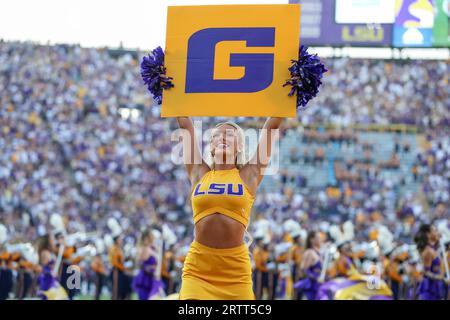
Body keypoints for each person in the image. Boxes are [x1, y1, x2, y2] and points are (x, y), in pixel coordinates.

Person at [177, 117, 283, 300]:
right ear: (210, 146)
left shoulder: (249, 175)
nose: (222, 138)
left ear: (240, 146)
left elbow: (272, 126)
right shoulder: (198, 172)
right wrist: (170, 92)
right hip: (199, 268)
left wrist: (287, 96)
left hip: (235, 271)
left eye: (229, 135)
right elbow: (184, 123)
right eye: (216, 136)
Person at [414, 224, 447, 300]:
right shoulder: (428, 251)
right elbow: (426, 272)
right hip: (429, 288)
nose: (437, 232)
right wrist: (440, 277)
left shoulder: (434, 249)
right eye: (434, 231)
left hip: (436, 286)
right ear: (428, 234)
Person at [294, 231, 323, 300]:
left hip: (318, 285)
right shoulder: (309, 252)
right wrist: (315, 278)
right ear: (311, 239)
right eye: (318, 238)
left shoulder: (318, 252)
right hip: (311, 286)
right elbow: (303, 270)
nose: (320, 240)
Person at [133, 230, 157, 300]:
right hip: (144, 277)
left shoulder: (151, 248)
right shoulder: (143, 248)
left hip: (150, 277)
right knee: (143, 297)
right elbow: (139, 263)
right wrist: (149, 268)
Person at [109, 235, 126, 300]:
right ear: (116, 241)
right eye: (119, 239)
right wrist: (122, 267)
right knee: (116, 289)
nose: (121, 241)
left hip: (121, 270)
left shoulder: (119, 248)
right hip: (116, 270)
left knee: (121, 289)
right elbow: (114, 262)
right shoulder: (113, 248)